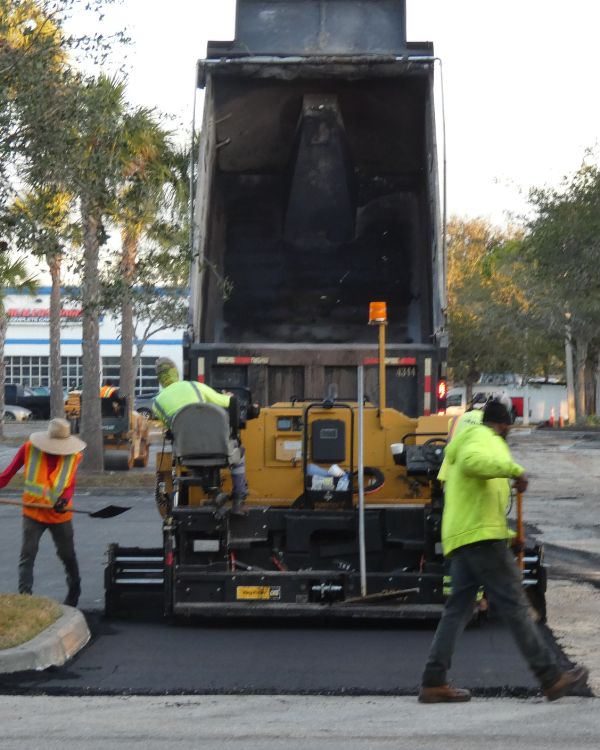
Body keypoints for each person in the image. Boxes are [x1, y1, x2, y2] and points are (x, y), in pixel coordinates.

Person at [419, 399, 588, 703]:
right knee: (516, 606)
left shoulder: (476, 440)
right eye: (508, 425)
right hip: (481, 541)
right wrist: (514, 470)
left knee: (457, 610)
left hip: (466, 537)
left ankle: (434, 680)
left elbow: (479, 503)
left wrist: (510, 536)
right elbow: (473, 463)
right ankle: (551, 677)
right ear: (503, 424)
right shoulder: (482, 439)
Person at [0, 418, 87, 607]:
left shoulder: (72, 457)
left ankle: (74, 589)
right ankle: (25, 597)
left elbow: (69, 485)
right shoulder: (29, 449)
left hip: (59, 515)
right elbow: (6, 475)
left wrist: (63, 500)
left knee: (67, 554)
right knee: (27, 554)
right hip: (33, 513)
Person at [152, 357, 248, 512]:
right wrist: (228, 396)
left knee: (197, 460)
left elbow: (172, 428)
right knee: (239, 452)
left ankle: (215, 492)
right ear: (175, 372)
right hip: (218, 449)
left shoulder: (157, 404)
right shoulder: (194, 386)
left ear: (160, 379)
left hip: (187, 453)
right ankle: (239, 497)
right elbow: (226, 402)